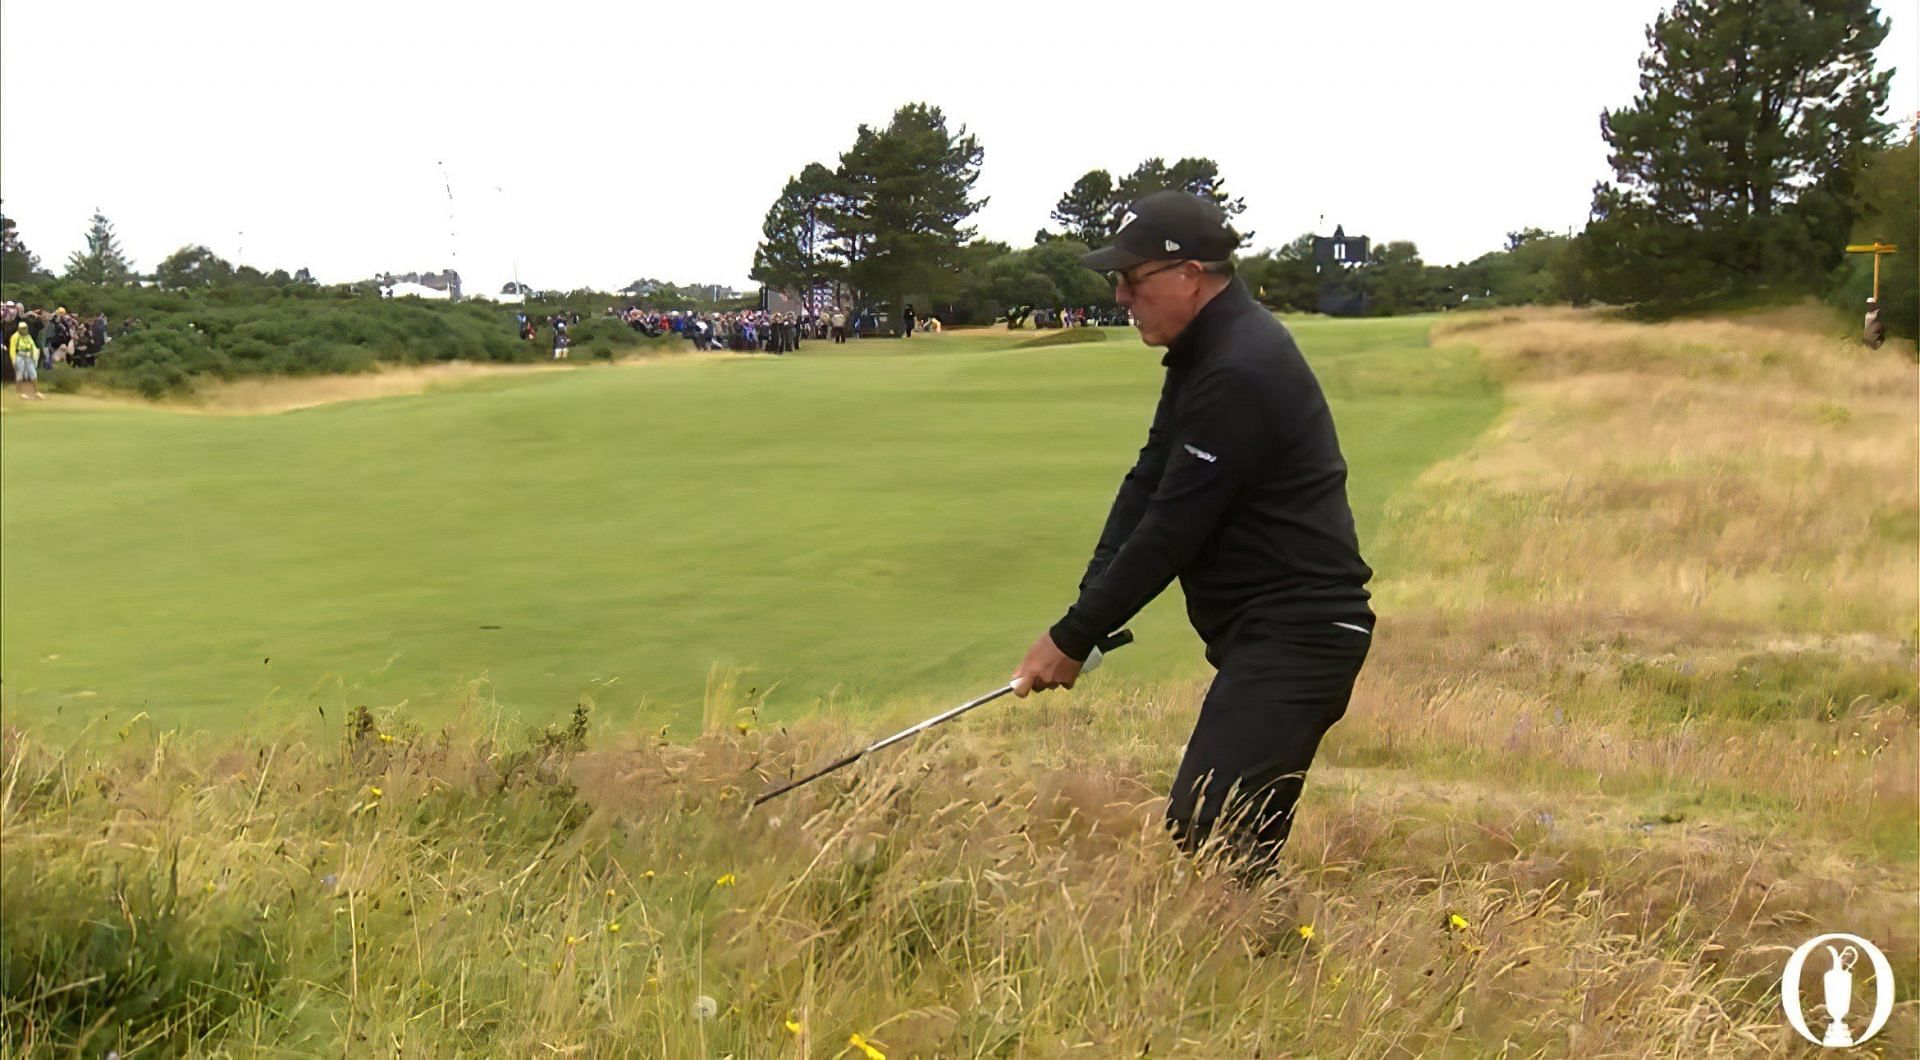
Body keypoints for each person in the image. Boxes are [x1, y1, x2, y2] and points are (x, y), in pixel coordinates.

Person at [1009, 190, 1375, 878]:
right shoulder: (1205, 353)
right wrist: (1086, 614)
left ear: (1189, 275)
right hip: (1271, 634)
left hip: (1303, 632)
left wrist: (1074, 634)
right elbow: (1146, 485)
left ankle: (1268, 969)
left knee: (1212, 824)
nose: (1120, 296)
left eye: (1131, 279)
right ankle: (1263, 968)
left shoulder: (1239, 367)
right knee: (1218, 825)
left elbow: (1173, 528)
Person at [10, 321, 43, 399]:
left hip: (28, 357)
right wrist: (13, 359)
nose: (24, 329)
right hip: (19, 356)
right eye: (23, 328)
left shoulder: (28, 336)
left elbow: (33, 345)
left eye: (25, 328)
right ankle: (19, 391)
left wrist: (35, 354)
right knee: (20, 374)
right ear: (19, 329)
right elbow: (12, 348)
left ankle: (36, 391)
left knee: (33, 373)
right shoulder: (15, 337)